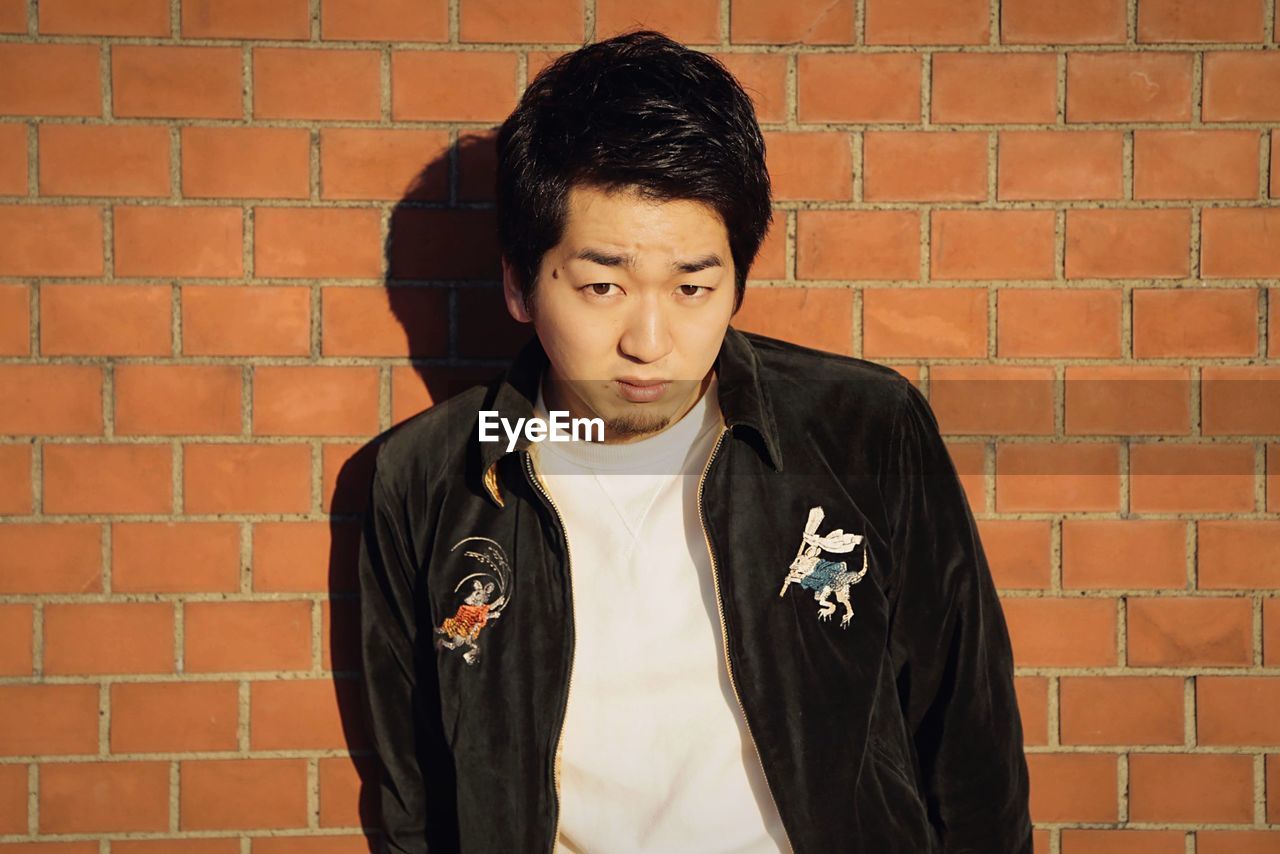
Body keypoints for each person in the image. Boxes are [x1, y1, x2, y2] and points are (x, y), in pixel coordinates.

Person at [357, 28, 1032, 854]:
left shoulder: (864, 428)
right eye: (602, 285)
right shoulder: (428, 480)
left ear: (737, 280)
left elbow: (968, 740)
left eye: (693, 287)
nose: (650, 339)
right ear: (520, 283)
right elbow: (412, 801)